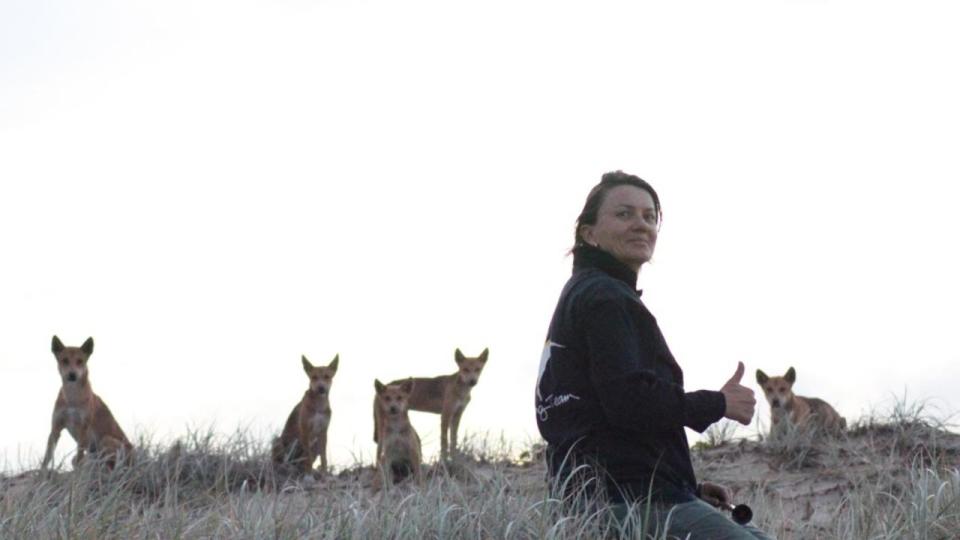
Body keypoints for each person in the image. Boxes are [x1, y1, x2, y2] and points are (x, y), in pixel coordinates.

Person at [535, 171, 773, 539]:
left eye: (649, 217)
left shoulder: (589, 293)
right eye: (624, 214)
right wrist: (718, 403)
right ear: (589, 233)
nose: (641, 225)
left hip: (605, 497)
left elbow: (601, 416)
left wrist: (685, 489)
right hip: (620, 501)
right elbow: (630, 402)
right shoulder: (605, 298)